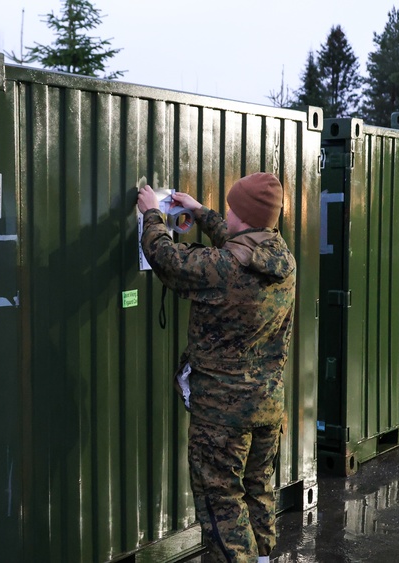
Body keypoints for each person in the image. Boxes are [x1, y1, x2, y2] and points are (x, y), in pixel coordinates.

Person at [137, 172, 296, 563]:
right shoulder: (281, 256)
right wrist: (200, 212)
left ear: (241, 213)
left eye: (230, 205)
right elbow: (239, 243)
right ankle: (262, 558)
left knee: (221, 501)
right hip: (268, 406)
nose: (226, 209)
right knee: (257, 489)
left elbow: (169, 261)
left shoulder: (224, 268)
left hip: (223, 414)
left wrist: (151, 215)